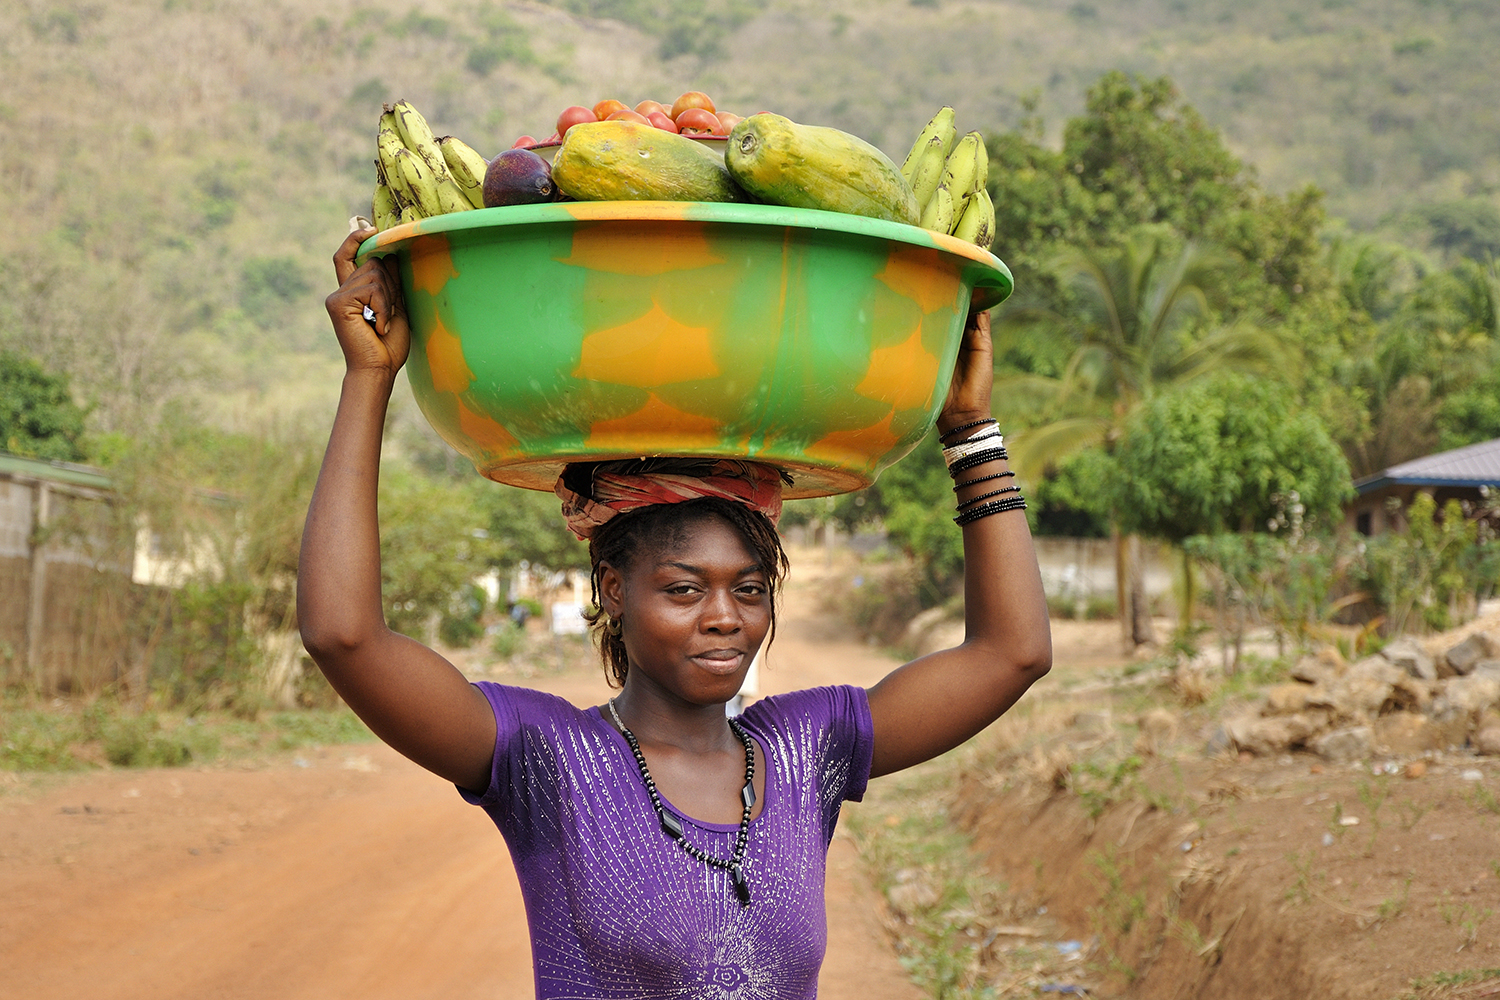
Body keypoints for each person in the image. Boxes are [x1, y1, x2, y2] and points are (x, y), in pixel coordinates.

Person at [300, 228, 1052, 999]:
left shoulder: (804, 752)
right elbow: (343, 635)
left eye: (749, 588)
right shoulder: (550, 761)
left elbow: (1013, 654)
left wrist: (969, 432)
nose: (725, 617)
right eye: (685, 589)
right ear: (615, 591)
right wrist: (369, 377)